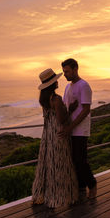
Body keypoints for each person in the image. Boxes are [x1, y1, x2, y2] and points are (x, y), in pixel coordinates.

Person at [32, 68, 78, 208]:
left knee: (49, 163)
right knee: (61, 164)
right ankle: (63, 195)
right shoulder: (56, 99)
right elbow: (61, 119)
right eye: (55, 80)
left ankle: (46, 194)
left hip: (48, 134)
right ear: (52, 84)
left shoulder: (44, 100)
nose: (57, 81)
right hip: (58, 133)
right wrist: (70, 110)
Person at [60, 58, 97, 199]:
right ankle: (81, 186)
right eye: (64, 71)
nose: (65, 74)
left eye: (67, 71)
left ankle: (92, 185)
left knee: (80, 160)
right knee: (75, 160)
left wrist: (71, 127)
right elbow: (66, 107)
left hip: (80, 130)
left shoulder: (84, 86)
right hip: (71, 129)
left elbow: (86, 109)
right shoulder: (68, 87)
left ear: (75, 69)